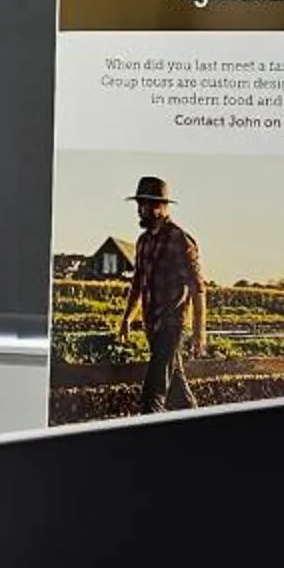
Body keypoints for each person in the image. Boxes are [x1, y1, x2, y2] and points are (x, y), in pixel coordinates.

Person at [115, 174, 206, 413]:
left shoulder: (180, 240)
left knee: (151, 397)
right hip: (152, 326)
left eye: (143, 205)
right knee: (177, 391)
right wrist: (126, 319)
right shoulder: (143, 242)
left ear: (159, 206)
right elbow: (137, 284)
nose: (139, 210)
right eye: (138, 204)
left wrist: (199, 332)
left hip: (172, 326)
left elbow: (198, 289)